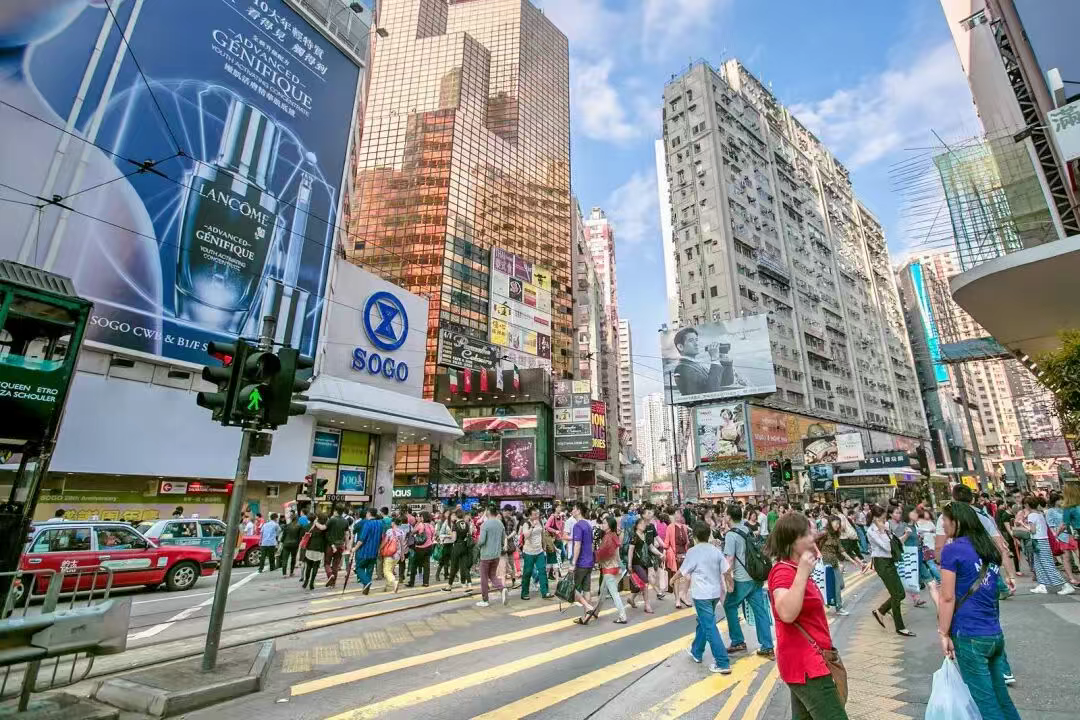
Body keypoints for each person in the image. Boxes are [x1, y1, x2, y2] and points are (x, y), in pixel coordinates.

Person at [937, 502, 1022, 720]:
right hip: (994, 634)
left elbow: (947, 597)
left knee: (986, 703)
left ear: (956, 522)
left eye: (945, 520)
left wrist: (943, 633)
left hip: (969, 634)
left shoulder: (952, 550)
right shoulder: (988, 548)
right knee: (1001, 697)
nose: (943, 524)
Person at [766, 512, 848, 720]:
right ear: (794, 541)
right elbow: (786, 613)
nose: (813, 536)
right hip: (807, 664)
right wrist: (803, 572)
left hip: (809, 660)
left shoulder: (795, 568)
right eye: (808, 532)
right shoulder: (783, 572)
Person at [672, 522, 732, 674]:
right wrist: (730, 585)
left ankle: (722, 662)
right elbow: (726, 570)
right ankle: (696, 651)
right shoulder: (716, 550)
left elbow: (682, 571)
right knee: (704, 622)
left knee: (709, 626)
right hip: (714, 594)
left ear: (696, 537)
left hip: (701, 595)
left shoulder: (693, 551)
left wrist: (672, 580)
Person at [722, 504, 775, 658]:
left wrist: (727, 579)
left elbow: (729, 560)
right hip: (755, 577)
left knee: (729, 605)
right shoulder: (746, 529)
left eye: (725, 514)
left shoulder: (731, 535)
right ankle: (767, 646)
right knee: (760, 611)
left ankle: (738, 641)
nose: (724, 517)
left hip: (742, 579)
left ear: (729, 517)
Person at [867, 505, 914, 637]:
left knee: (901, 593)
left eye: (885, 518)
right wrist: (882, 531)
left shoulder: (885, 527)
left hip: (889, 562)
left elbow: (895, 544)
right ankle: (900, 627)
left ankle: (880, 611)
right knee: (897, 594)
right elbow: (887, 547)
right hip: (881, 563)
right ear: (875, 518)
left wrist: (906, 534)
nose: (884, 521)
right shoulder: (872, 531)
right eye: (882, 519)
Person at [1020, 496, 1074, 595]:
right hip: (1044, 541)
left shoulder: (1031, 516)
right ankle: (1042, 585)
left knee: (1046, 565)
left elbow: (1033, 530)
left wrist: (1022, 525)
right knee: (1039, 564)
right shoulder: (1040, 514)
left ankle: (1065, 585)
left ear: (1027, 505)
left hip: (1038, 541)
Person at [670, 327, 739, 397]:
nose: (696, 344)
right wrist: (714, 359)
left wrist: (724, 357)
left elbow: (726, 382)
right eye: (691, 341)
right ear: (680, 347)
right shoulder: (682, 369)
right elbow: (711, 392)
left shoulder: (694, 364)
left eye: (696, 340)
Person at [817, 515, 864, 616]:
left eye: (839, 524)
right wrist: (818, 553)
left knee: (841, 585)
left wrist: (852, 560)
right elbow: (813, 542)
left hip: (834, 563)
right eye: (836, 523)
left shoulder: (835, 535)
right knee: (836, 586)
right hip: (825, 564)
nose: (838, 526)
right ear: (830, 522)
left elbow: (841, 550)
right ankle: (839, 608)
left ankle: (829, 599)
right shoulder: (824, 533)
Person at [594, 516, 627, 623]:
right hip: (614, 567)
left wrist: (595, 556)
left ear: (609, 525)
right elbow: (617, 555)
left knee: (614, 594)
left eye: (604, 523)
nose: (602, 525)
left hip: (608, 569)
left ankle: (622, 616)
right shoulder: (614, 536)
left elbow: (603, 552)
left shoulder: (607, 538)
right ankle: (596, 612)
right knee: (603, 593)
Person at [570, 502, 597, 623]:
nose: (572, 510)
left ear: (578, 510)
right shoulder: (588, 524)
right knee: (586, 589)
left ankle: (588, 607)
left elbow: (577, 545)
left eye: (573, 508)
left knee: (572, 589)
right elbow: (591, 544)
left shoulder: (578, 526)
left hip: (581, 562)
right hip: (589, 561)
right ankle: (586, 617)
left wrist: (573, 562)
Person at [477, 506, 508, 607]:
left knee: (484, 578)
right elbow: (504, 538)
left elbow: (481, 541)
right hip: (496, 555)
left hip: (485, 555)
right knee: (492, 575)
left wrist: (477, 544)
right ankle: (502, 589)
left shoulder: (485, 525)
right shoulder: (500, 524)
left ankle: (485, 600)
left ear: (489, 512)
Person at [628, 517, 659, 614]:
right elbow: (631, 550)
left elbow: (651, 547)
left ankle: (631, 598)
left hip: (645, 562)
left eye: (644, 523)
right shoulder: (634, 536)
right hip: (636, 563)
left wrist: (660, 554)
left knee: (640, 583)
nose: (643, 525)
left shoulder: (645, 535)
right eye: (641, 524)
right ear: (637, 526)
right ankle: (647, 605)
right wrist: (629, 564)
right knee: (645, 581)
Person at [519, 507, 551, 600]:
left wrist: (544, 546)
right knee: (527, 572)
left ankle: (545, 592)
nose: (537, 515)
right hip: (529, 552)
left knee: (542, 571)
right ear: (530, 515)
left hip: (539, 551)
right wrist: (532, 526)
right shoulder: (526, 523)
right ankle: (524, 593)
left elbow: (542, 534)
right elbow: (526, 536)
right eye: (534, 514)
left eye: (537, 513)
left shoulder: (540, 522)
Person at [1046, 493, 1077, 586]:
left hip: (1071, 533)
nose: (1062, 501)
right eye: (1060, 500)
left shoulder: (1066, 509)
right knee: (1066, 557)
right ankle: (1071, 578)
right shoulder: (1050, 511)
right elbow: (1050, 525)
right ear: (1055, 501)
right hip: (1061, 536)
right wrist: (1055, 535)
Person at [351, 508, 384, 595]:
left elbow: (362, 539)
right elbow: (382, 538)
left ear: (369, 513)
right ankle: (366, 589)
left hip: (365, 551)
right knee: (369, 569)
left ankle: (366, 582)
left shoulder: (367, 524)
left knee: (359, 568)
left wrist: (355, 548)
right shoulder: (380, 523)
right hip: (374, 551)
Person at [666, 510, 693, 609]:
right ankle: (677, 599)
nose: (677, 516)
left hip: (684, 555)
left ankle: (683, 595)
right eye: (675, 514)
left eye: (679, 514)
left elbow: (687, 541)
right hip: (674, 555)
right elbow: (666, 543)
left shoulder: (685, 527)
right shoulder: (670, 527)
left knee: (688, 577)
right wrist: (668, 554)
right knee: (676, 578)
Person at [444, 509, 473, 592]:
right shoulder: (467, 524)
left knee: (454, 567)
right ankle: (469, 585)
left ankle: (449, 586)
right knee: (465, 566)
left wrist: (450, 535)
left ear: (456, 516)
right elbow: (469, 534)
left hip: (457, 547)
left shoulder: (455, 525)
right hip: (465, 546)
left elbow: (454, 539)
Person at [323, 505, 350, 588]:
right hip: (340, 545)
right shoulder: (346, 521)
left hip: (331, 545)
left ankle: (330, 575)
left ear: (335, 511)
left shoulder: (332, 520)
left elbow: (324, 529)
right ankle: (333, 583)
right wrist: (347, 545)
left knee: (327, 563)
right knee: (336, 564)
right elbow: (347, 534)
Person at [407, 511, 435, 587]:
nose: (419, 517)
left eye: (420, 516)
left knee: (414, 565)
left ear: (423, 517)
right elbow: (433, 536)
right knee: (426, 565)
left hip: (420, 548)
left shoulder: (420, 525)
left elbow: (412, 532)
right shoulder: (431, 526)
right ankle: (426, 582)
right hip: (429, 547)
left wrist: (418, 523)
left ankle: (411, 582)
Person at [301, 514, 328, 591]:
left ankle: (306, 581)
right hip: (319, 549)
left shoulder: (309, 526)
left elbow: (304, 535)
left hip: (310, 548)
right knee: (316, 567)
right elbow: (326, 539)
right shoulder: (325, 528)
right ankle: (311, 583)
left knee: (308, 566)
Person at [279, 513, 303, 577]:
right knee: (293, 558)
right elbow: (300, 537)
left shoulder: (287, 526)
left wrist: (281, 542)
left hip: (286, 543)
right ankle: (291, 572)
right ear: (297, 519)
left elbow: (283, 536)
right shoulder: (299, 526)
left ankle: (284, 574)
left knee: (285, 559)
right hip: (295, 544)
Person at [434, 510, 454, 582]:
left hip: (451, 543)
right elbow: (438, 533)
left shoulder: (453, 522)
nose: (448, 515)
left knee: (448, 560)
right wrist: (448, 536)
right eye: (447, 513)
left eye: (449, 514)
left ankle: (446, 574)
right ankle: (437, 574)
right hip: (443, 543)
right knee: (442, 560)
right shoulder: (441, 522)